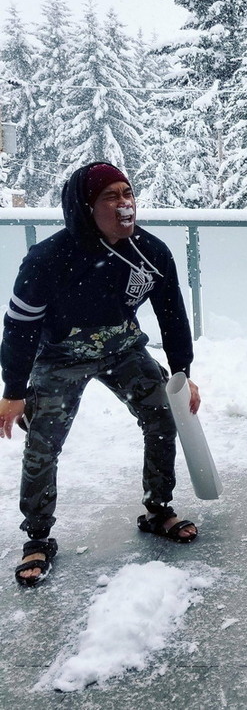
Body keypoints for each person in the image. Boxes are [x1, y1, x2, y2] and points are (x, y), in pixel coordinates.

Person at [0, 162, 201, 587]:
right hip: (59, 356)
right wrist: (14, 390)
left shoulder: (151, 251)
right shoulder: (47, 260)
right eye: (111, 197)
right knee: (43, 443)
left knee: (162, 417)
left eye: (127, 193)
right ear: (85, 207)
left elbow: (172, 315)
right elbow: (19, 326)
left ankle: (157, 508)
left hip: (123, 346)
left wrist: (182, 373)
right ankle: (37, 537)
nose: (124, 204)